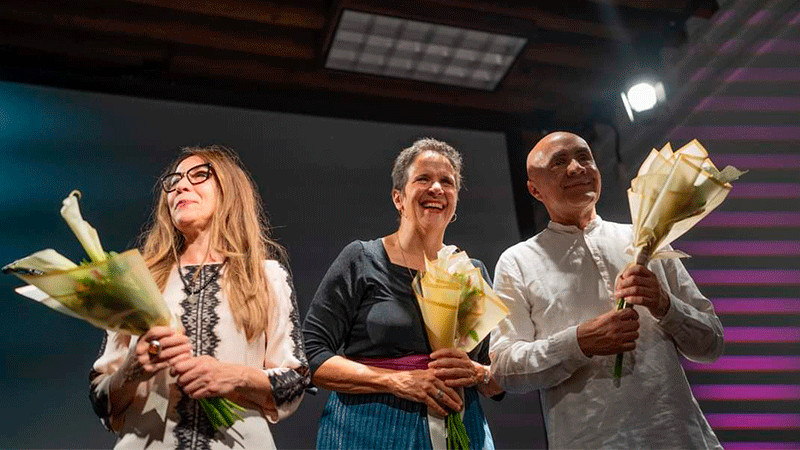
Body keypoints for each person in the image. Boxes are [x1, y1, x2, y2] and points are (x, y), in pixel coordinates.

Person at [489, 132, 724, 449]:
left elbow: (712, 343)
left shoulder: (647, 239)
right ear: (534, 189)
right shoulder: (517, 261)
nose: (577, 168)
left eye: (584, 157)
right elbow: (505, 368)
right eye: (559, 162)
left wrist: (664, 304)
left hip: (679, 437)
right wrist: (580, 342)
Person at [89, 145, 309, 448]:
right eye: (174, 180)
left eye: (199, 175)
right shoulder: (137, 281)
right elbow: (101, 399)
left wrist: (234, 376)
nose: (181, 186)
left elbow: (294, 383)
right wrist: (131, 370)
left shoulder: (265, 276)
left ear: (229, 190)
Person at [302, 138, 504, 449]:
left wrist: (478, 373)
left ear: (455, 201)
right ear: (398, 197)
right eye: (423, 178)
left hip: (460, 429)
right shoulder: (362, 259)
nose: (436, 188)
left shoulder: (470, 272)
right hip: (366, 430)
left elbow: (499, 377)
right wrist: (395, 381)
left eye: (447, 182)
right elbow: (312, 356)